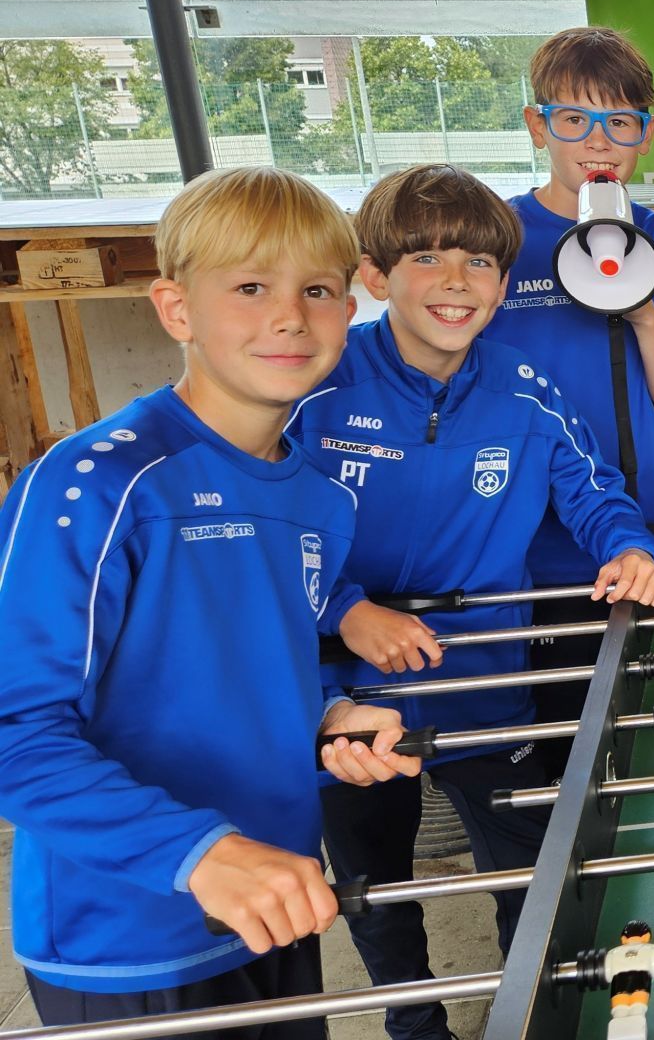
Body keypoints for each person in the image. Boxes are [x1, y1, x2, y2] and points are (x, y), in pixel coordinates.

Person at [0, 167, 419, 1033]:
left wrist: (324, 721)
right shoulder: (98, 482)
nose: (288, 317)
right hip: (127, 939)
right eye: (250, 287)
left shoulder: (318, 498)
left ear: (351, 310)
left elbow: (232, 673)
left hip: (276, 908)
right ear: (176, 307)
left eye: (317, 290)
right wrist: (196, 854)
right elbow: (14, 730)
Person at [295, 164, 654, 1040]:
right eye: (426, 258)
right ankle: (413, 1024)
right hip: (344, 695)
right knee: (374, 884)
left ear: (504, 284)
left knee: (527, 874)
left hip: (485, 687)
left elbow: (597, 490)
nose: (456, 281)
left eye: (479, 262)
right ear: (376, 278)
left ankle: (524, 1012)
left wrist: (630, 546)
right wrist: (348, 611)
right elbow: (272, 540)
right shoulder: (316, 388)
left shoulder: (525, 389)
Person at [482, 27, 654, 764]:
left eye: (621, 123)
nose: (598, 143)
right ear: (538, 124)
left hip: (650, 531)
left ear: (646, 134)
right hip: (536, 547)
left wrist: (639, 308)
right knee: (561, 753)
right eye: (574, 120)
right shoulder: (501, 235)